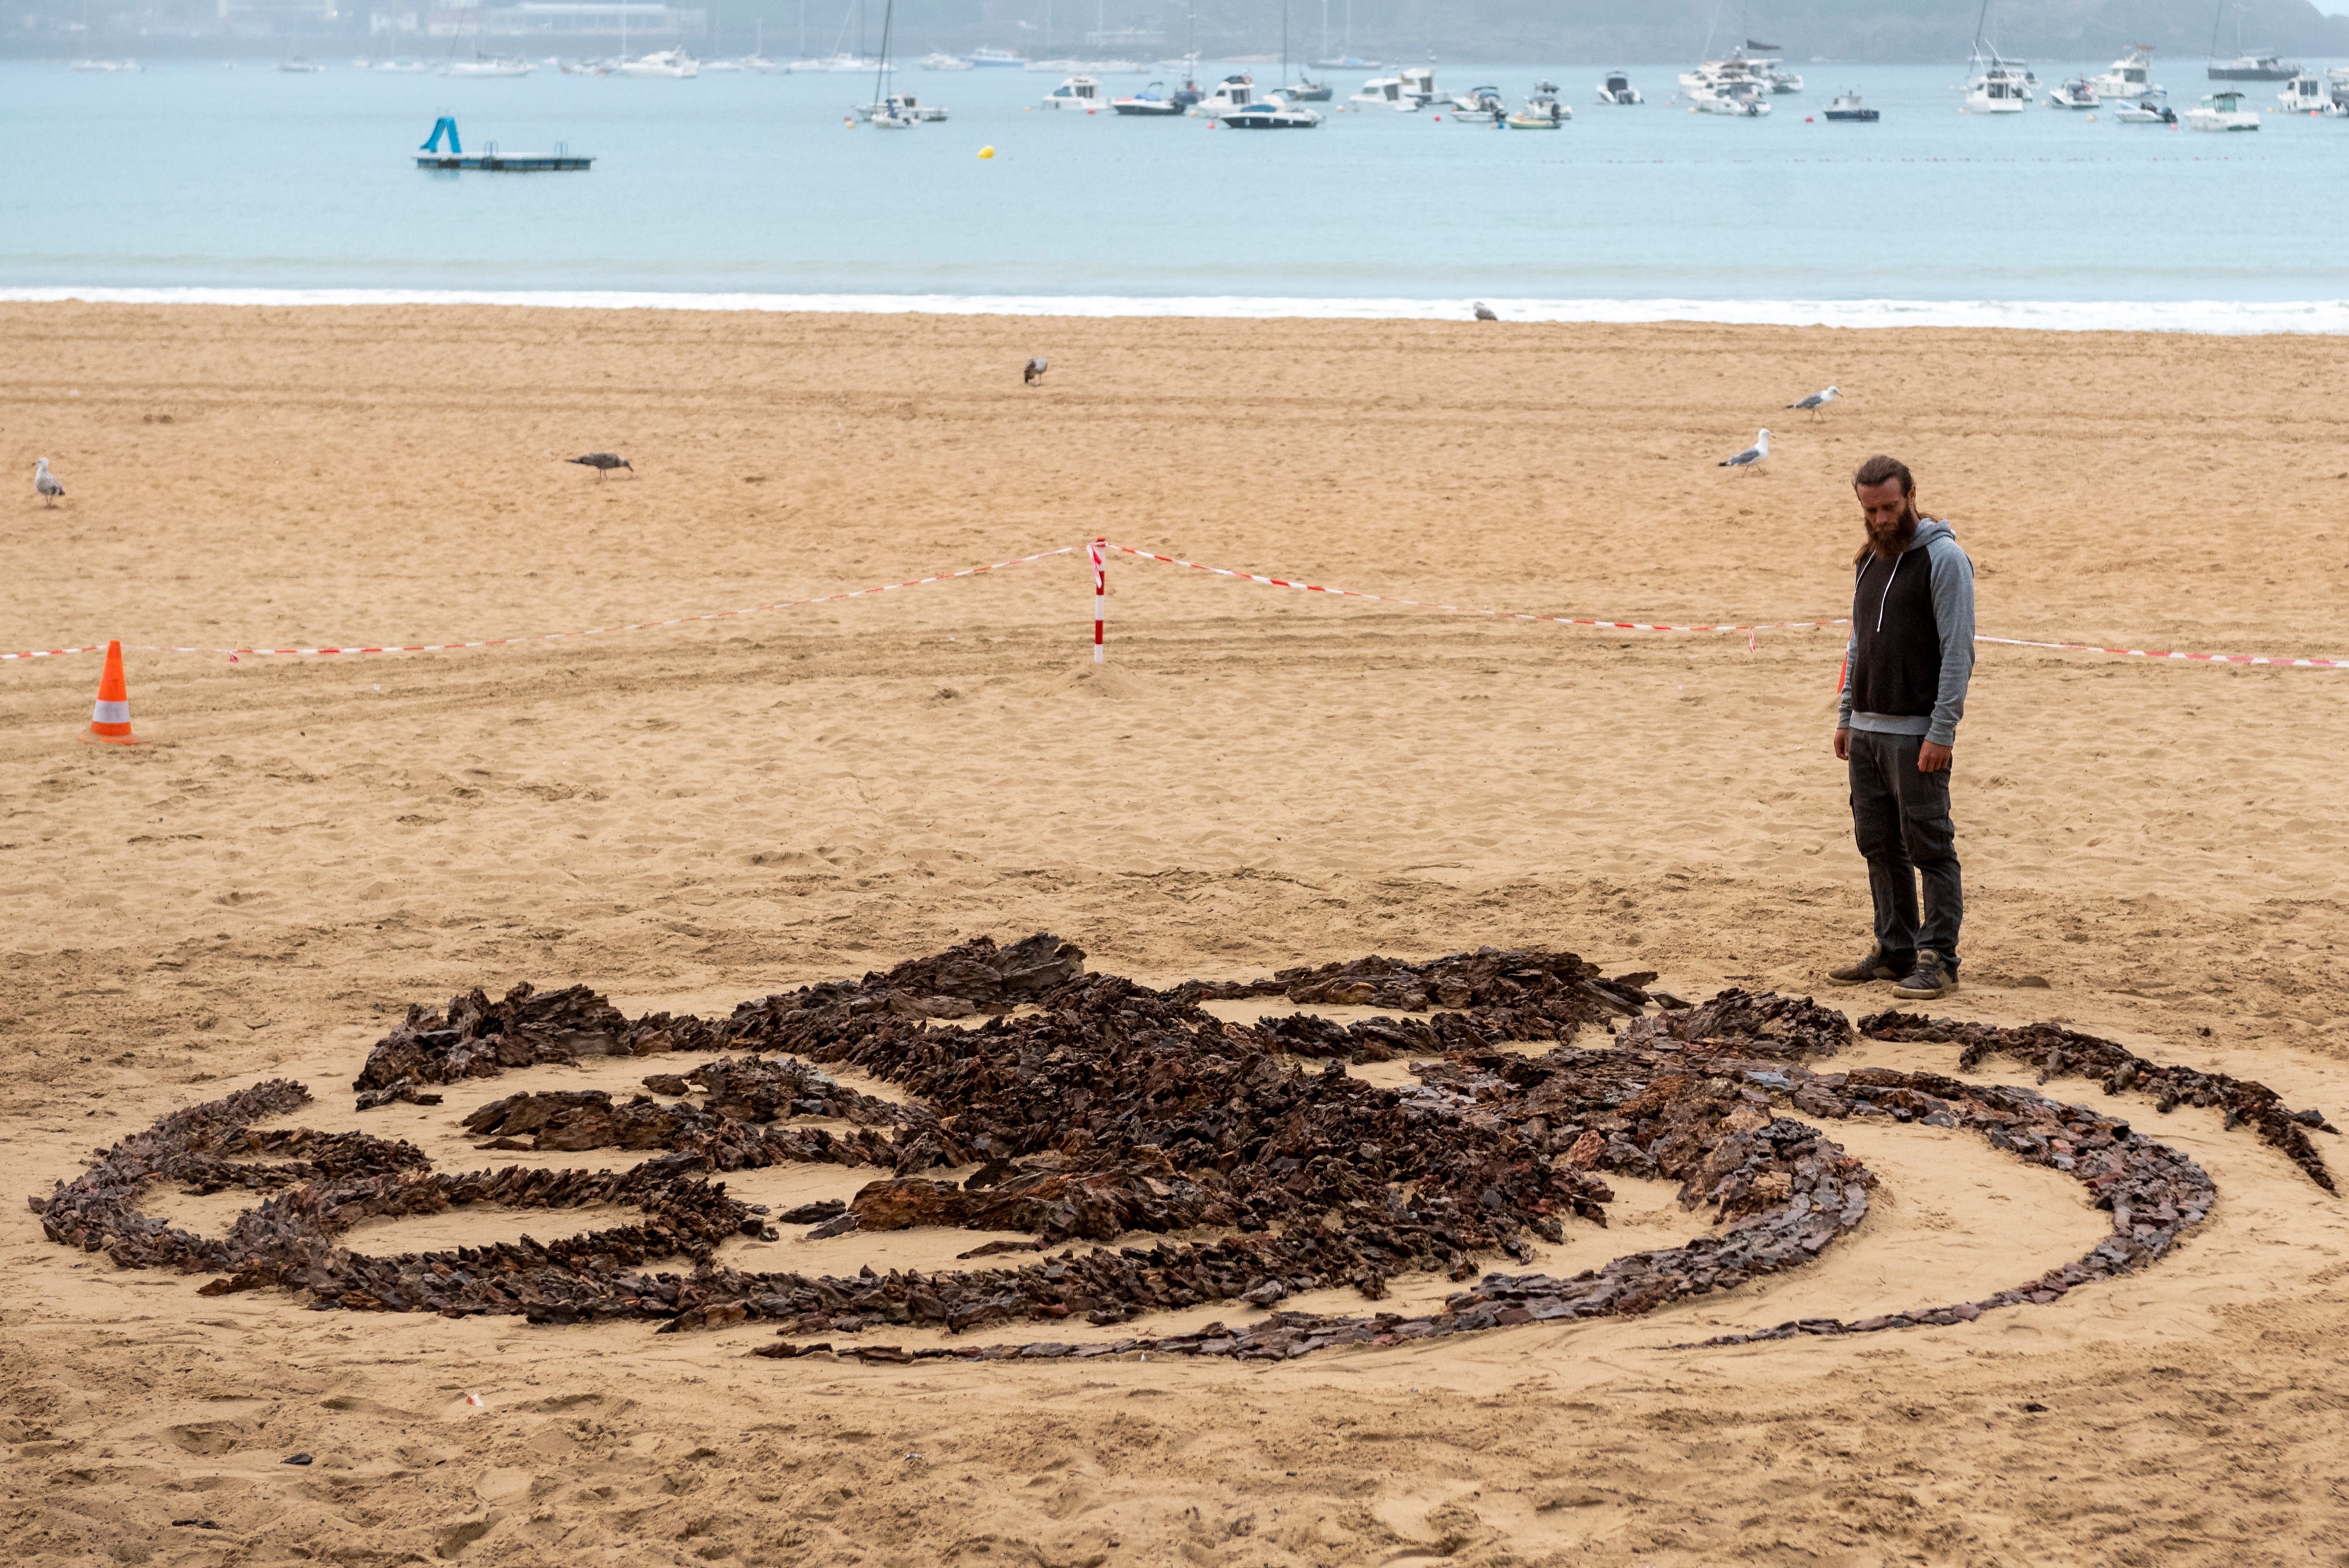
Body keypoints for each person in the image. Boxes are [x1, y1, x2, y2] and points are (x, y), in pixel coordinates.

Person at [1827, 455, 1975, 1000]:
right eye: (1871, 510)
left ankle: (1940, 961)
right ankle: (1895, 952)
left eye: (1890, 506)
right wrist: (1847, 717)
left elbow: (1958, 653)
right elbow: (1857, 644)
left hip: (1917, 735)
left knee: (1930, 847)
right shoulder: (1868, 559)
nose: (1882, 518)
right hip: (1865, 732)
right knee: (1879, 845)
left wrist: (1942, 731)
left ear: (1912, 494)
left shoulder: (1945, 559)